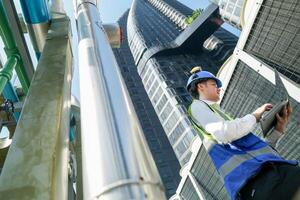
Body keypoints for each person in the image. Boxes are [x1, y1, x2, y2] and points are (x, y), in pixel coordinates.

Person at [186, 66, 300, 200]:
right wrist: (256, 115)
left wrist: (278, 129)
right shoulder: (197, 107)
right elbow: (225, 133)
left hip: (267, 178)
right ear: (201, 87)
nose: (218, 88)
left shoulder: (220, 116)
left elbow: (256, 154)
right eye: (213, 84)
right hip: (259, 182)